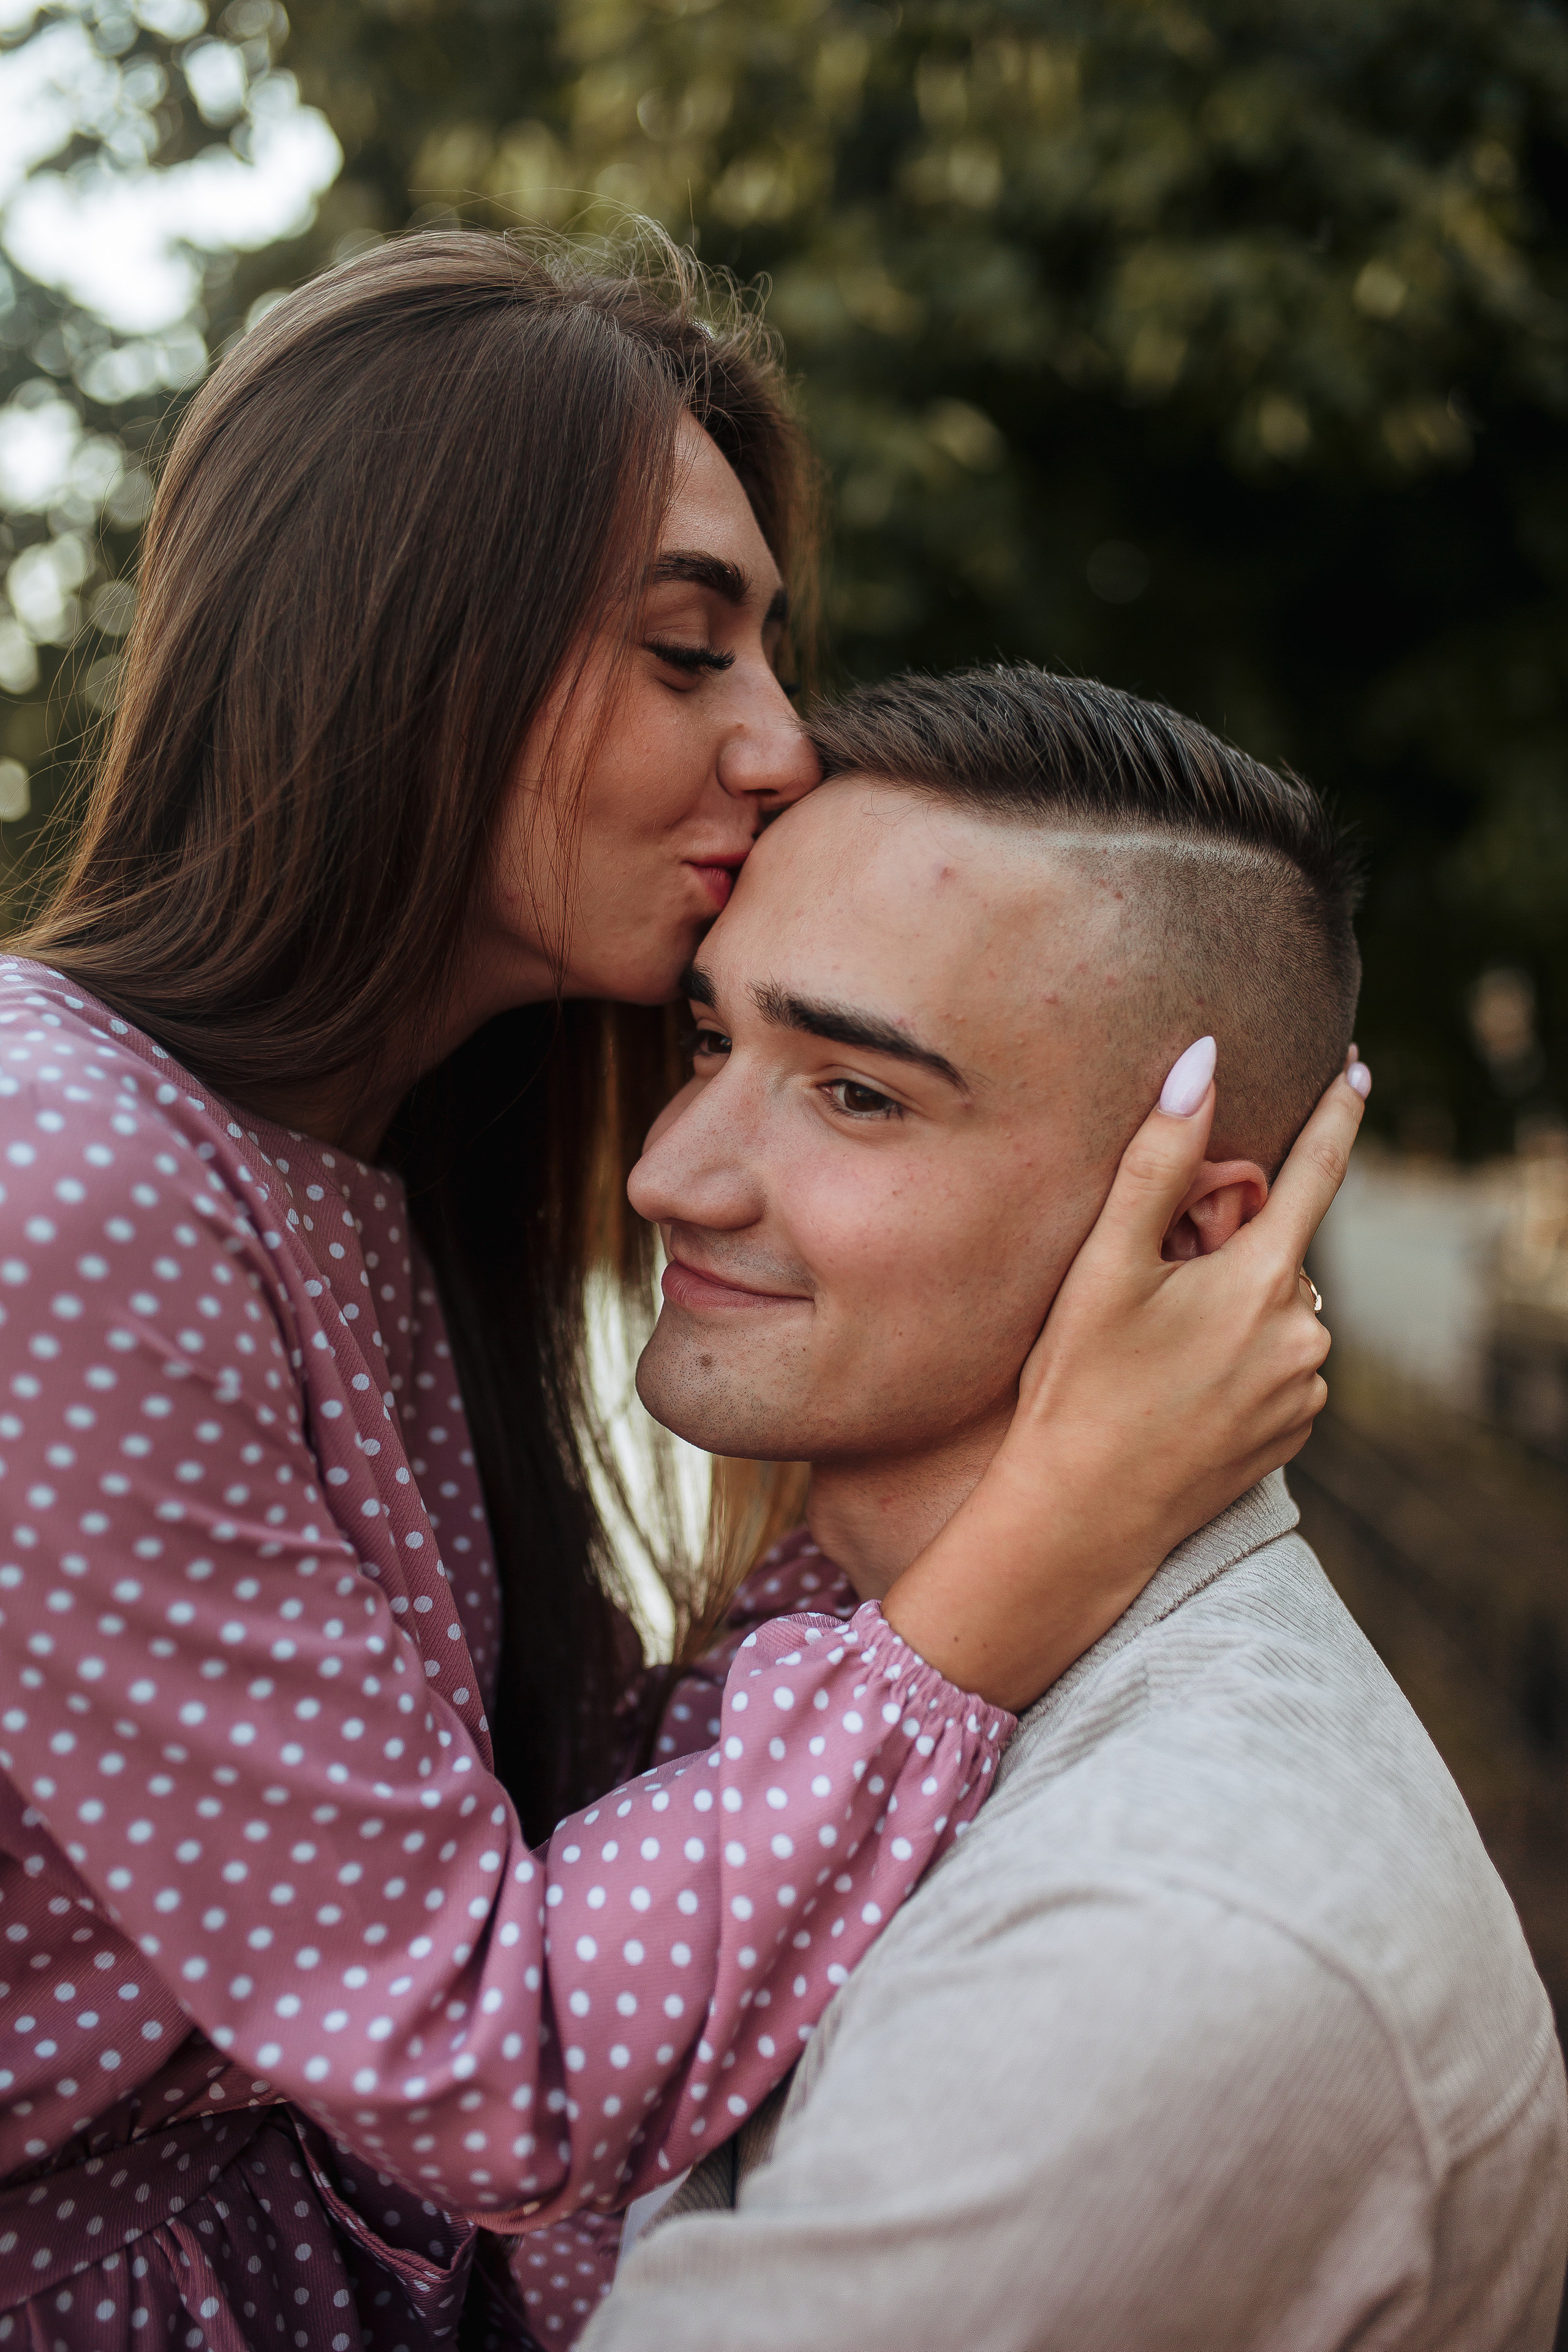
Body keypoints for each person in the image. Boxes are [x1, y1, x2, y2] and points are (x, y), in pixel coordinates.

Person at [0, 235, 1344, 2351]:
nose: (781, 748)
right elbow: (486, 2057)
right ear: (403, 653)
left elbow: (547, 1818)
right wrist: (1042, 1536)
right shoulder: (53, 1179)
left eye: (764, 655)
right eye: (685, 652)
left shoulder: (365, 1168)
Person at [587, 667, 1568, 2352]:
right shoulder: (845, 1621)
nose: (670, 1169)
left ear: (1193, 1233)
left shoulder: (1162, 1943)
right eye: (713, 1039)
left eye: (857, 1093)